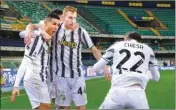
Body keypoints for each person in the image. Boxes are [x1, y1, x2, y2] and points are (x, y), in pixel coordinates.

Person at [89, 32, 160, 109]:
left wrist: (98, 69)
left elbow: (97, 67)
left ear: (127, 38)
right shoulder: (148, 49)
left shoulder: (117, 45)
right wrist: (147, 74)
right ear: (139, 41)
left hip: (117, 92)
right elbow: (156, 77)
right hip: (138, 94)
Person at [10, 12, 61, 109]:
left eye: (57, 25)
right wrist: (16, 85)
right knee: (46, 108)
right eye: (54, 24)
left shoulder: (45, 39)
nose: (56, 27)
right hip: (34, 79)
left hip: (40, 79)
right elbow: (25, 62)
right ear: (45, 24)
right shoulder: (37, 40)